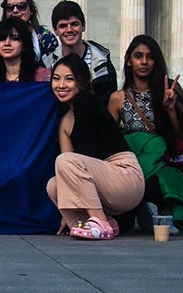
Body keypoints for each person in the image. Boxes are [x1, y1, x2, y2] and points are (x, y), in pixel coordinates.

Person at [46, 53, 144, 240]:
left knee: (65, 161)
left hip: (125, 177)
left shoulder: (86, 101)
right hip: (102, 184)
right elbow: (68, 172)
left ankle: (99, 222)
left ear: (81, 81)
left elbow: (81, 157)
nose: (61, 85)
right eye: (56, 79)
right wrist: (68, 209)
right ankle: (107, 223)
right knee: (53, 185)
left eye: (69, 79)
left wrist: (71, 202)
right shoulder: (65, 121)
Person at [108, 34, 183, 232]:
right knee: (124, 226)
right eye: (138, 56)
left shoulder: (170, 90)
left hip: (163, 160)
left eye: (150, 56)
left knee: (163, 175)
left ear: (156, 61)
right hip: (133, 163)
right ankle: (138, 205)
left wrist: (170, 109)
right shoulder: (118, 98)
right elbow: (110, 139)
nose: (144, 62)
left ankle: (168, 205)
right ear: (129, 61)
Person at [51, 0, 117, 103]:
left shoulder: (103, 68)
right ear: (55, 30)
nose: (69, 30)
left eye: (74, 24)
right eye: (63, 26)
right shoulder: (47, 65)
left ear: (83, 26)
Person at [0, 0, 58, 69]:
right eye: (9, 8)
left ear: (31, 11)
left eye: (21, 6)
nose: (15, 11)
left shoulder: (45, 36)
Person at [0, 17, 40, 83]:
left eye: (14, 38)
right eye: (2, 38)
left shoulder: (44, 77)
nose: (7, 43)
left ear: (24, 45)